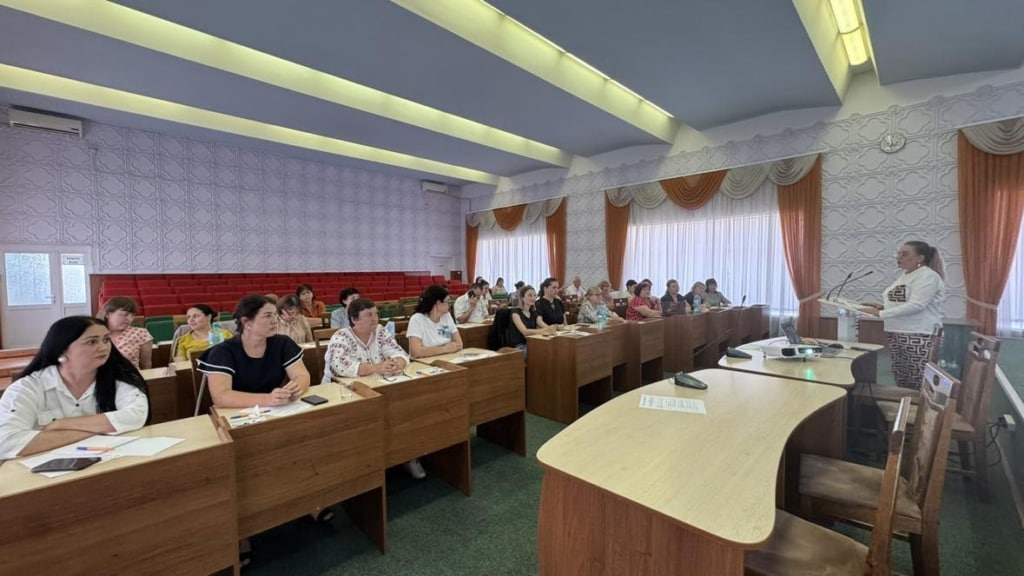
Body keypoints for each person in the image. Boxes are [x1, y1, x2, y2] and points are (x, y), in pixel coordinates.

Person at [0, 316, 149, 459]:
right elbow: (6, 442)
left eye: (106, 340)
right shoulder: (27, 388)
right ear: (62, 348)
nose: (103, 347)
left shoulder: (118, 381)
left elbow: (136, 415)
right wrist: (97, 430)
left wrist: (59, 425)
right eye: (92, 342)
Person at [324, 299, 419, 479]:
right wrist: (377, 367)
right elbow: (339, 367)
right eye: (369, 315)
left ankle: (406, 455)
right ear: (354, 319)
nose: (375, 318)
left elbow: (398, 351)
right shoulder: (341, 336)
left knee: (404, 408)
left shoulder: (380, 331)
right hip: (346, 393)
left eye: (376, 314)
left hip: (379, 387)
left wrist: (397, 363)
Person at [860, 241, 946, 389]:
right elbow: (903, 302)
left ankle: (918, 404)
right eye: (898, 254)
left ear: (920, 258)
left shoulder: (927, 276)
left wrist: (881, 313)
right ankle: (906, 403)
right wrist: (883, 306)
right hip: (897, 332)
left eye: (904, 254)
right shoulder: (906, 275)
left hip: (919, 335)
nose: (899, 257)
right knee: (902, 378)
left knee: (919, 380)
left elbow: (917, 305)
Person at [198, 295, 310, 408]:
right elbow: (221, 396)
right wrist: (268, 399)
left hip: (276, 408)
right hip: (236, 411)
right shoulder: (222, 351)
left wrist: (295, 389)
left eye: (275, 315)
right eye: (268, 316)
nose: (275, 321)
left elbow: (302, 375)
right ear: (246, 322)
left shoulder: (283, 343)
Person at [407, 285, 464, 358]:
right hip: (425, 361)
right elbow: (415, 352)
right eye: (447, 301)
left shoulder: (447, 315)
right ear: (438, 303)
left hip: (447, 357)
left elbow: (459, 344)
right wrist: (445, 349)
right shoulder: (417, 319)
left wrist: (432, 350)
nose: (449, 305)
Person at [98, 296, 153, 369]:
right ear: (108, 314)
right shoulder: (95, 333)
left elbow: (146, 366)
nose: (130, 319)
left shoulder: (141, 334)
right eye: (125, 314)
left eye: (132, 315)